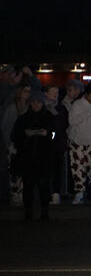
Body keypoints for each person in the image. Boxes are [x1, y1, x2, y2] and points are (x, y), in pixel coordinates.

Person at [11, 92, 57, 220]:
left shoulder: (49, 118)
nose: (36, 105)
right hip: (28, 158)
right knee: (28, 186)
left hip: (44, 157)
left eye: (38, 103)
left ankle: (44, 211)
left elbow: (55, 135)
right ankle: (28, 211)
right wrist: (25, 134)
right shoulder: (23, 118)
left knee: (44, 186)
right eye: (34, 102)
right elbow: (15, 136)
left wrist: (47, 134)